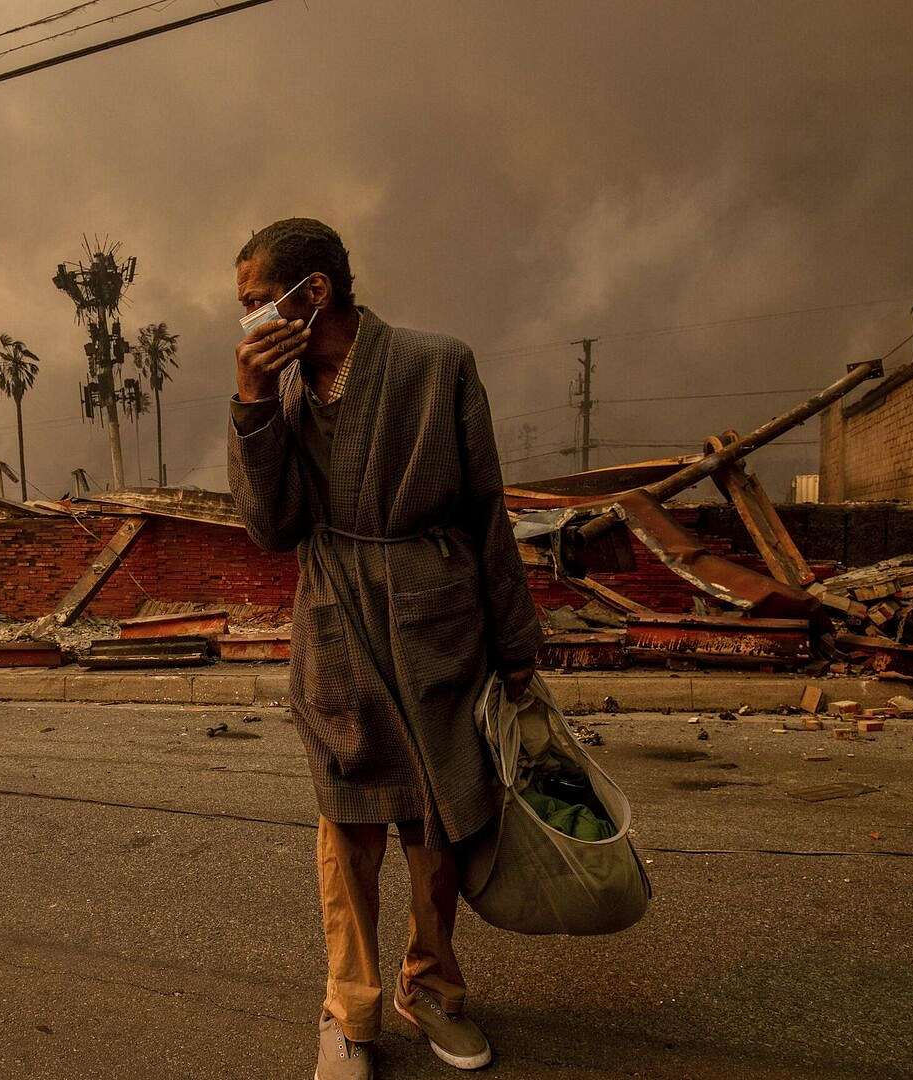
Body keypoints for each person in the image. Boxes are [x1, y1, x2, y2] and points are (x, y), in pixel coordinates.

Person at [226, 218, 540, 1079]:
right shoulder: (280, 393)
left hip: (438, 620)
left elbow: (486, 511)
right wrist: (252, 405)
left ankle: (431, 988)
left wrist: (516, 648)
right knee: (346, 828)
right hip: (335, 618)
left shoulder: (439, 365)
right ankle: (349, 1013)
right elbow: (270, 528)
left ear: (313, 291)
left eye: (257, 302)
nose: (249, 321)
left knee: (437, 824)